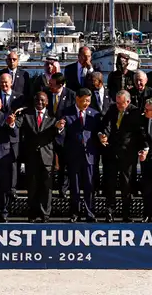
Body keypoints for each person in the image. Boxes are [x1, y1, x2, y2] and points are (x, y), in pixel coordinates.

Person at [56, 88, 100, 222]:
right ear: (77, 99)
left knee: (89, 186)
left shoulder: (95, 114)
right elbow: (62, 136)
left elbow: (98, 131)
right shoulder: (66, 112)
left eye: (88, 100)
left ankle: (89, 212)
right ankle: (75, 213)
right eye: (84, 100)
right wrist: (60, 128)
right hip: (73, 155)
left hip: (89, 155)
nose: (86, 103)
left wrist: (101, 136)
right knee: (74, 186)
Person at [99, 89, 142, 222]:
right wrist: (103, 135)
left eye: (121, 103)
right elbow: (106, 125)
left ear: (128, 102)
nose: (118, 105)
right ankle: (109, 213)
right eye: (117, 103)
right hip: (111, 152)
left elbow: (138, 132)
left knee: (126, 185)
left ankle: (126, 214)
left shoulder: (135, 112)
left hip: (127, 155)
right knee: (110, 184)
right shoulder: (112, 109)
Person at [19, 91, 57, 222]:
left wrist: (60, 128)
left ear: (47, 101)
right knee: (32, 187)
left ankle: (45, 214)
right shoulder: (26, 115)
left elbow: (57, 135)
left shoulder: (53, 116)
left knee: (46, 188)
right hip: (31, 157)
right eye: (37, 100)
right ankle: (33, 214)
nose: (39, 103)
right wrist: (12, 122)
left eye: (42, 100)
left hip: (47, 157)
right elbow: (17, 126)